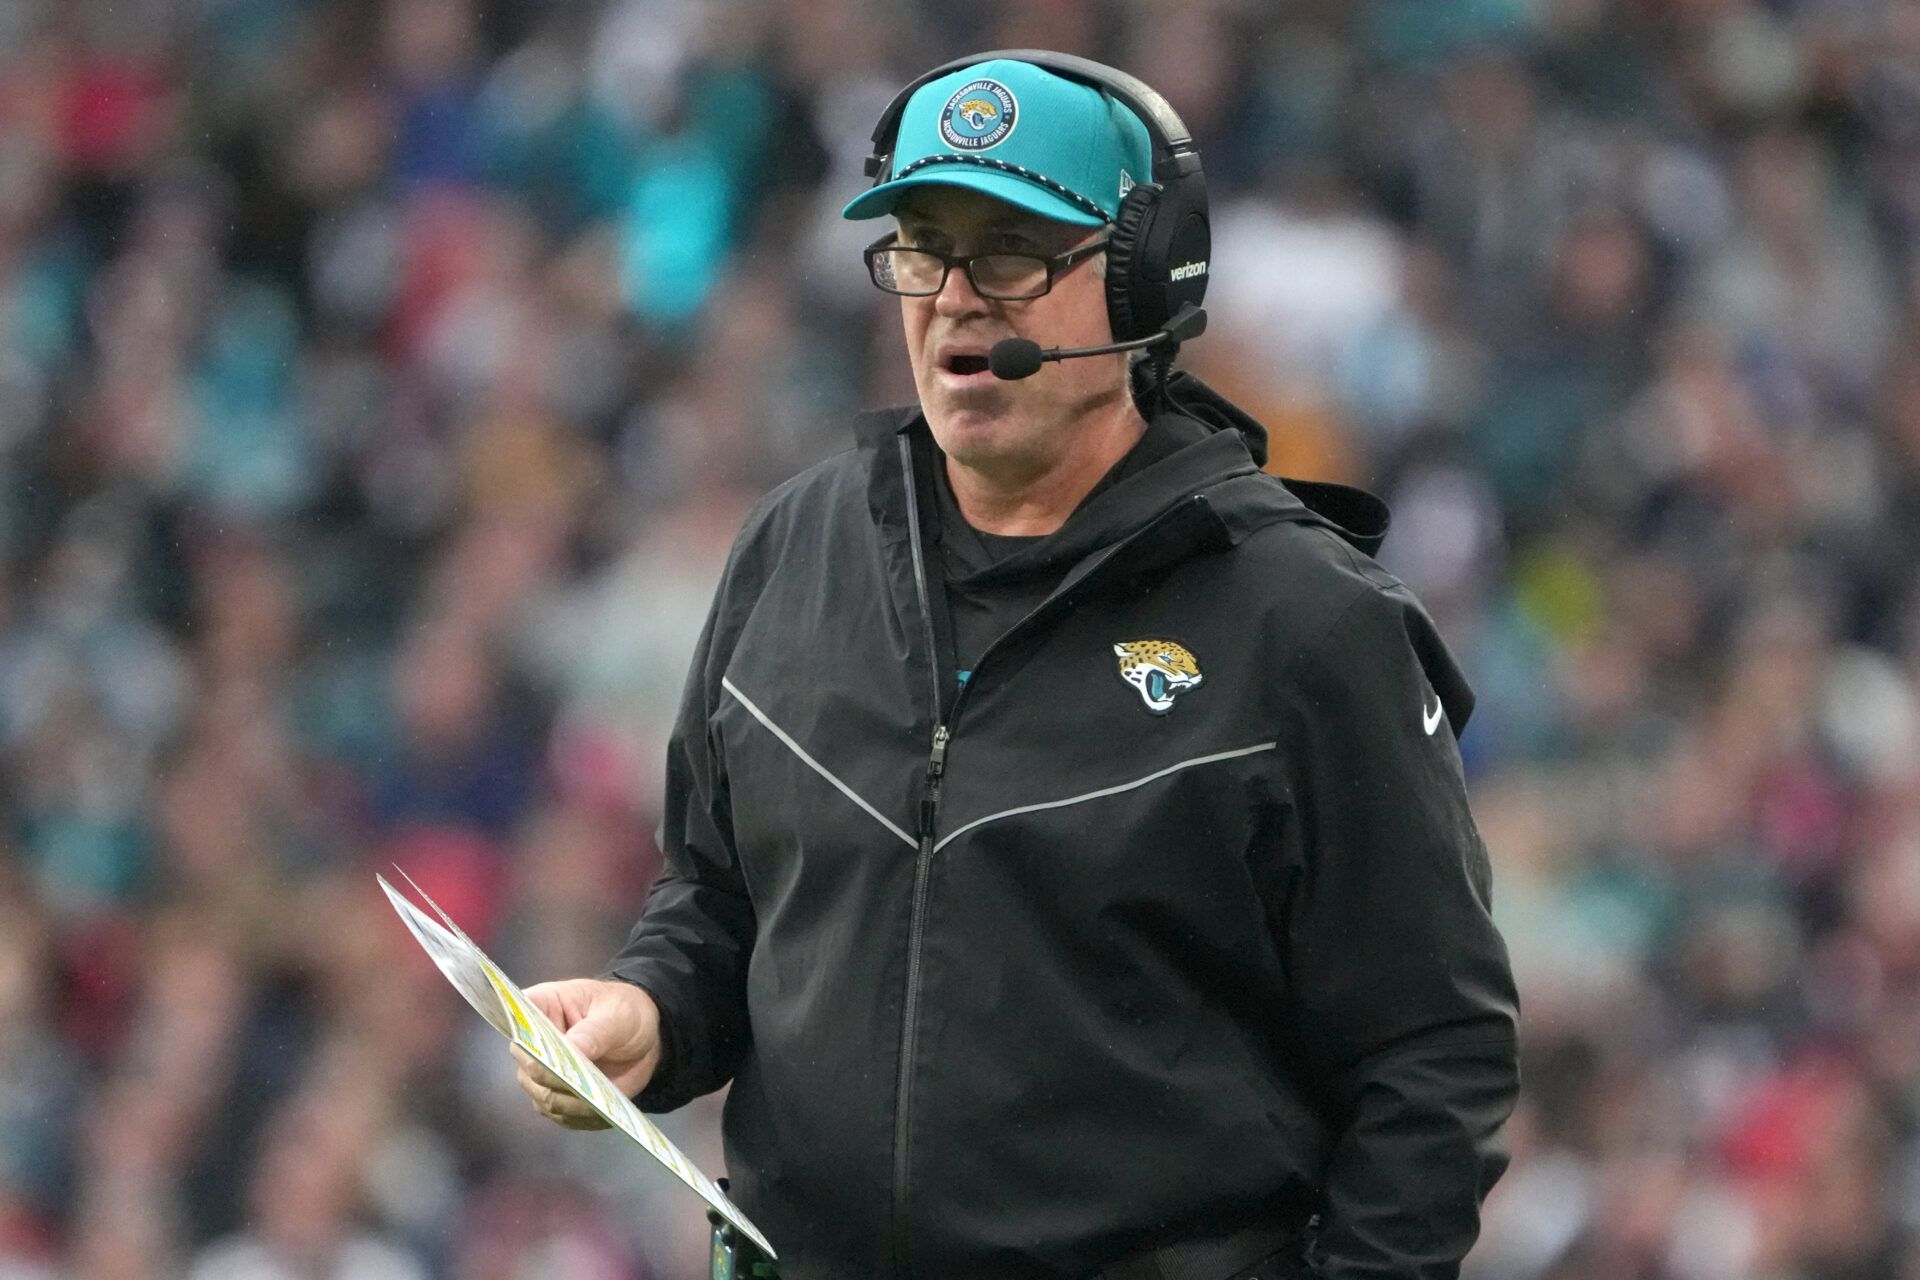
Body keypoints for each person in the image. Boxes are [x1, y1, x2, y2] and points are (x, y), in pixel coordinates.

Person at [513, 51, 1520, 1280]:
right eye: (924, 249)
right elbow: (720, 897)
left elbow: (1433, 1057)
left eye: (1011, 252)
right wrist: (652, 1014)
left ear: (1146, 279)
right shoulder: (795, 547)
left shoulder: (1305, 626)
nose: (955, 298)